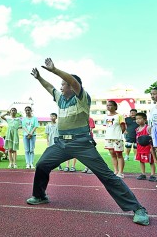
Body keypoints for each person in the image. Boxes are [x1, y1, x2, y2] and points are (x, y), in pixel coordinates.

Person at [26, 57, 149, 226]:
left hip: (81, 143)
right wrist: (40, 78)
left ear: (72, 85)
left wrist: (55, 70)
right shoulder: (60, 98)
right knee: (42, 165)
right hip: (61, 143)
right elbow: (49, 87)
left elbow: (73, 81)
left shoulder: (82, 98)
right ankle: (40, 196)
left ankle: (138, 208)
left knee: (106, 175)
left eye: (63, 84)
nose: (60, 86)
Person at [104, 100, 126, 178]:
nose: (108, 107)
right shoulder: (106, 116)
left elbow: (123, 127)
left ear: (115, 107)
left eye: (110, 105)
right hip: (108, 138)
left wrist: (118, 134)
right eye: (107, 105)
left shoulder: (119, 116)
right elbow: (107, 126)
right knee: (112, 154)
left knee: (119, 154)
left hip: (117, 138)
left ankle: (120, 172)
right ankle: (115, 170)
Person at [134, 112, 156, 182]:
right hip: (140, 148)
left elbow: (152, 137)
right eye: (136, 119)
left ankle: (152, 175)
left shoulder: (148, 128)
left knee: (151, 161)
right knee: (141, 161)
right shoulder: (137, 129)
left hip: (148, 148)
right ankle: (143, 174)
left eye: (139, 118)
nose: (138, 120)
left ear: (145, 119)